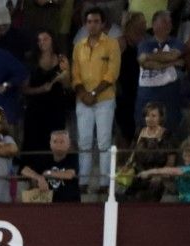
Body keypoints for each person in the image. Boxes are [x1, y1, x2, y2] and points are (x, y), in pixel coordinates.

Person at [71, 9, 118, 197]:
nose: (92, 25)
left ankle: (105, 182)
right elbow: (75, 74)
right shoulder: (78, 46)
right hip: (83, 99)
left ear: (103, 24)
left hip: (104, 98)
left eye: (96, 21)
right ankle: (82, 181)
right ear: (85, 24)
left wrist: (93, 93)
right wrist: (83, 93)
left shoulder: (112, 44)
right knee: (84, 141)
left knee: (104, 142)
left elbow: (112, 74)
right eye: (89, 21)